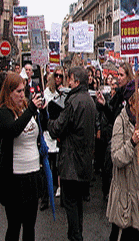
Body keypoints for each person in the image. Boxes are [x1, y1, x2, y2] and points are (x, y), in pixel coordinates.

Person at [48, 66, 97, 241]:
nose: (68, 82)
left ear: (76, 81)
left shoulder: (73, 101)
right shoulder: (89, 100)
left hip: (71, 162)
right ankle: (77, 234)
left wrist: (49, 121)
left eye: (70, 79)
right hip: (83, 161)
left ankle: (76, 236)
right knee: (77, 204)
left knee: (71, 204)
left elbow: (57, 128)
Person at [0, 72, 46, 240]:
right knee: (14, 225)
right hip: (14, 178)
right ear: (9, 92)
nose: (21, 95)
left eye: (23, 90)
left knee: (30, 226)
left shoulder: (25, 107)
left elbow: (41, 130)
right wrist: (31, 109)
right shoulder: (3, 112)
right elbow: (12, 131)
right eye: (18, 91)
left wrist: (41, 111)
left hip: (32, 174)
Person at [106, 79, 139, 241]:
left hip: (137, 193)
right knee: (120, 235)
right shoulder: (121, 122)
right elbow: (116, 158)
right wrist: (132, 143)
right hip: (123, 195)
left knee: (134, 236)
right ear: (131, 102)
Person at [96, 62, 133, 201]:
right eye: (118, 74)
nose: (119, 78)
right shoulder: (118, 94)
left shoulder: (133, 93)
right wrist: (105, 105)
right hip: (117, 135)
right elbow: (113, 117)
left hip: (129, 137)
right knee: (108, 166)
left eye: (121, 75)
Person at [40, 66, 66, 210]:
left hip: (60, 136)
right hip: (48, 135)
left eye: (61, 76)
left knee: (60, 168)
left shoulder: (65, 93)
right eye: (56, 75)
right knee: (46, 169)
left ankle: (62, 197)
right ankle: (45, 199)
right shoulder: (47, 93)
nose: (58, 78)